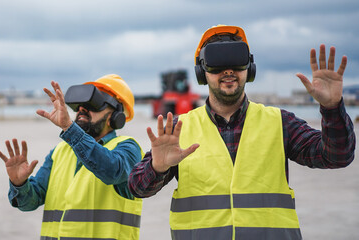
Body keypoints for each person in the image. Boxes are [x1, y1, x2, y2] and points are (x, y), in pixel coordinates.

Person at [128, 25, 355, 240]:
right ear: (201, 71)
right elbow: (137, 188)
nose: (228, 71)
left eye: (236, 62)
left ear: (249, 68)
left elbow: (337, 156)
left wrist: (332, 108)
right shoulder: (179, 129)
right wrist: (157, 167)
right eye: (217, 63)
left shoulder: (279, 123)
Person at [0, 74, 144, 239]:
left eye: (94, 104)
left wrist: (69, 128)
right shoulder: (60, 151)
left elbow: (111, 171)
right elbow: (30, 201)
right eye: (80, 105)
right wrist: (20, 184)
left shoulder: (128, 149)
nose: (82, 109)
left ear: (116, 117)